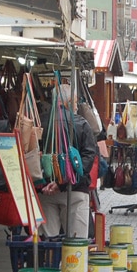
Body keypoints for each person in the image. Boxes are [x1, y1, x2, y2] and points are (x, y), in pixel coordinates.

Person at [38, 83, 99, 238]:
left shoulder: (40, 124)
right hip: (75, 189)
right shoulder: (81, 124)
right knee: (76, 242)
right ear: (70, 102)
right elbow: (87, 159)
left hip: (45, 190)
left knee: (48, 241)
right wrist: (64, 181)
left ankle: (50, 262)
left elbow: (32, 156)